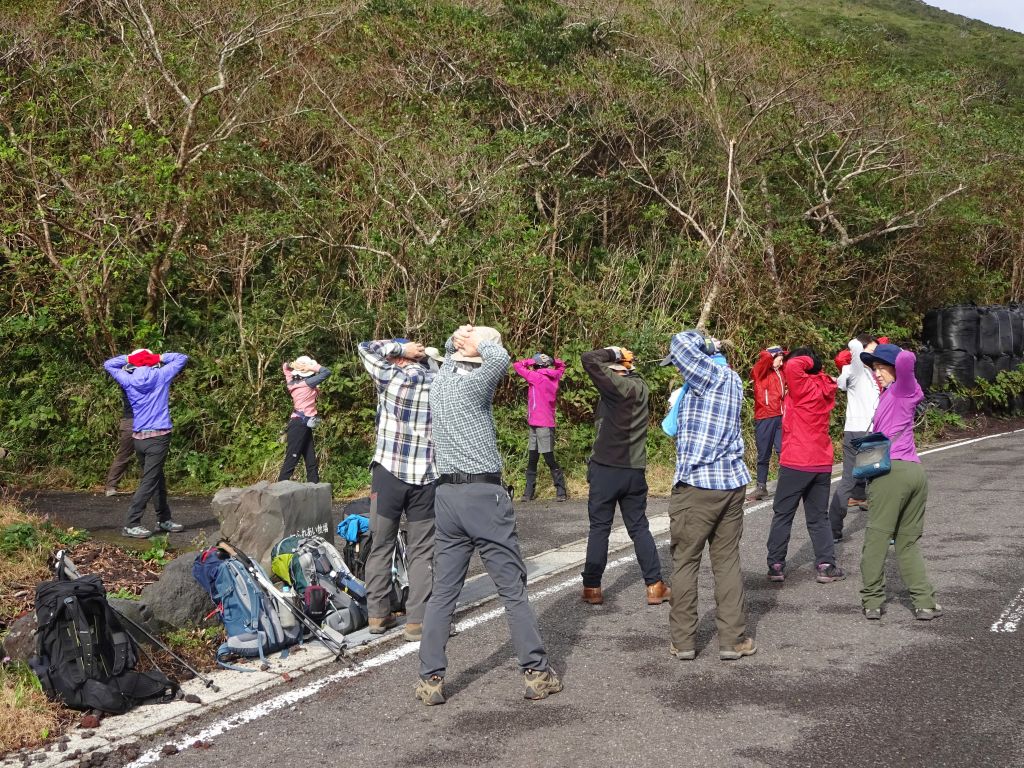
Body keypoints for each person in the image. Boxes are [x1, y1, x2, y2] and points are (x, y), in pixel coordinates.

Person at [416, 324, 561, 705]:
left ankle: (430, 678)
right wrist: (481, 340)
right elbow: (500, 358)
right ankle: (536, 672)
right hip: (483, 495)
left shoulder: (442, 380)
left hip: (445, 495)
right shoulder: (475, 384)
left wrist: (461, 337)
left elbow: (454, 351)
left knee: (444, 592)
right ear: (478, 352)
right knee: (512, 590)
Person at [664, 331, 756, 661]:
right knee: (727, 561)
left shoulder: (710, 375)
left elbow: (679, 341)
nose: (678, 369)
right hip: (731, 483)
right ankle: (733, 640)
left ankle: (684, 641)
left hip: (698, 487)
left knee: (686, 562)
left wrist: (706, 342)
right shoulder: (732, 379)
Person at [357, 338, 437, 642]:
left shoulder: (390, 377)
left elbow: (365, 347)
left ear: (402, 360)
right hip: (427, 476)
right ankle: (417, 619)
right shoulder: (438, 381)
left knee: (381, 544)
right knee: (422, 550)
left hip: (388, 475)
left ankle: (377, 614)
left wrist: (401, 348)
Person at [579, 345, 670, 607]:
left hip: (606, 469)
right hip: (633, 470)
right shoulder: (640, 385)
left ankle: (592, 587)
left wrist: (613, 352)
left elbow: (589, 359)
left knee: (599, 528)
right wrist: (624, 361)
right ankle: (654, 585)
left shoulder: (616, 388)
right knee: (639, 527)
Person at [857, 344, 941, 621]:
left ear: (894, 368)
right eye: (873, 368)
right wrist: (878, 358)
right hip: (914, 472)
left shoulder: (905, 388)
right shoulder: (889, 395)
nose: (876, 373)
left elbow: (907, 358)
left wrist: (878, 348)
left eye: (881, 367)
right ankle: (925, 602)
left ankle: (872, 601)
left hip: (892, 473)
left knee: (877, 539)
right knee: (907, 543)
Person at [764, 347, 845, 584]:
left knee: (783, 514)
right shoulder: (824, 384)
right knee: (819, 517)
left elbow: (792, 366)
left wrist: (808, 358)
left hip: (797, 460)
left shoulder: (803, 387)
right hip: (821, 461)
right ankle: (826, 564)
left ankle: (776, 564)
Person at [103, 349, 188, 538]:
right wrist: (158, 357)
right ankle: (131, 523)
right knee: (149, 482)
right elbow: (182, 358)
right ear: (151, 362)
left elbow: (108, 364)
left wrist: (128, 358)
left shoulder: (128, 379)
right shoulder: (161, 375)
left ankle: (164, 519)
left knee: (157, 478)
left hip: (139, 438)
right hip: (158, 437)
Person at [829, 334, 880, 542]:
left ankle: (833, 530)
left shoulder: (867, 373)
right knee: (876, 482)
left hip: (855, 431)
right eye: (872, 350)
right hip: (866, 433)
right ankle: (884, 529)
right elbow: (854, 346)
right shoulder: (856, 369)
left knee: (850, 480)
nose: (876, 354)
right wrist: (860, 348)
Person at [512, 352, 568, 502]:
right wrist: (553, 360)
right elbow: (562, 365)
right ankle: (556, 491)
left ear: (536, 365)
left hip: (539, 422)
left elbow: (517, 365)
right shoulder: (554, 375)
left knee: (540, 458)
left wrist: (531, 359)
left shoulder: (535, 377)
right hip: (543, 422)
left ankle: (537, 492)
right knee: (542, 457)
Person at [278, 355, 331, 483]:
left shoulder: (291, 382)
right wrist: (311, 367)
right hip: (300, 425)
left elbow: (285, 367)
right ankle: (279, 487)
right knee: (292, 457)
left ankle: (314, 487)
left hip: (300, 423)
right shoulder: (308, 383)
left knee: (310, 459)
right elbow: (327, 372)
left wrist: (293, 364)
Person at [749, 345, 786, 500]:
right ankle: (761, 487)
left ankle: (785, 484)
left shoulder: (780, 372)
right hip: (765, 416)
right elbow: (764, 357)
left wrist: (780, 352)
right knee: (763, 454)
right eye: (779, 359)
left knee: (783, 452)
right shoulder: (760, 371)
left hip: (781, 416)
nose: (782, 362)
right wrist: (772, 353)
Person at [103, 388, 135, 496]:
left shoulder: (127, 378)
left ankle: (111, 486)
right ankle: (110, 486)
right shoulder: (131, 380)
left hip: (135, 421)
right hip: (132, 421)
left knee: (149, 455)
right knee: (124, 455)